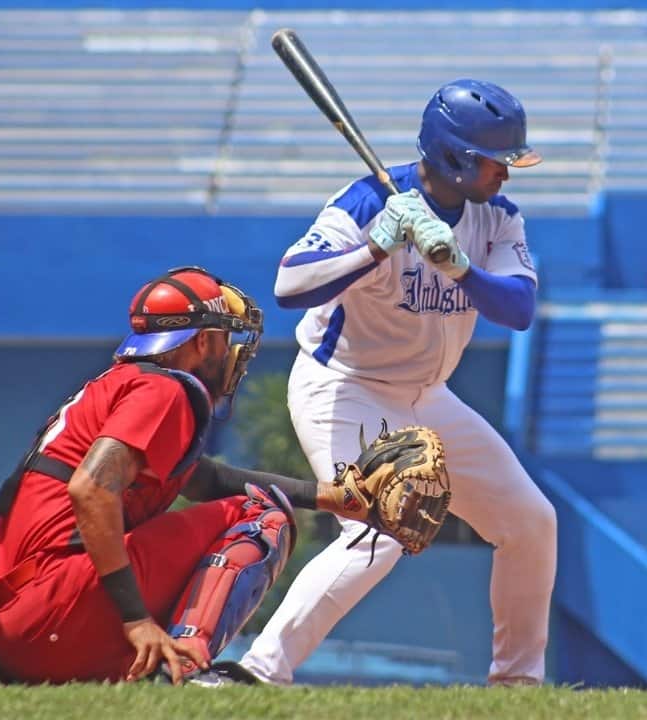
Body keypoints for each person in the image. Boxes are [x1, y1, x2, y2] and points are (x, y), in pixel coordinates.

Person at [0, 267, 427, 687]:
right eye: (225, 339)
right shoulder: (166, 391)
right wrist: (137, 620)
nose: (231, 352)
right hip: (54, 612)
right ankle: (182, 668)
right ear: (202, 341)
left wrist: (331, 497)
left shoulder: (122, 382)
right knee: (264, 516)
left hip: (9, 617)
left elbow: (200, 479)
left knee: (255, 500)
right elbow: (91, 488)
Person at [237, 78, 557, 687]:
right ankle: (258, 671)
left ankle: (517, 687)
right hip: (344, 387)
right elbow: (288, 285)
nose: (506, 176)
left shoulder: (497, 218)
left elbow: (517, 310)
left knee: (531, 522)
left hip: (428, 397)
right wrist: (375, 249)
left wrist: (459, 268)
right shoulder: (362, 202)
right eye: (496, 162)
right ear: (457, 158)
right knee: (376, 526)